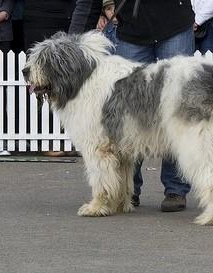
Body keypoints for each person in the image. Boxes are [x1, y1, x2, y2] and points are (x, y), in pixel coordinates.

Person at [69, 0, 194, 212]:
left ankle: (175, 189)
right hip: (131, 31)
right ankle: (127, 190)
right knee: (125, 117)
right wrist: (72, 41)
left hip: (175, 25)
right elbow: (87, 2)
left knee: (176, 112)